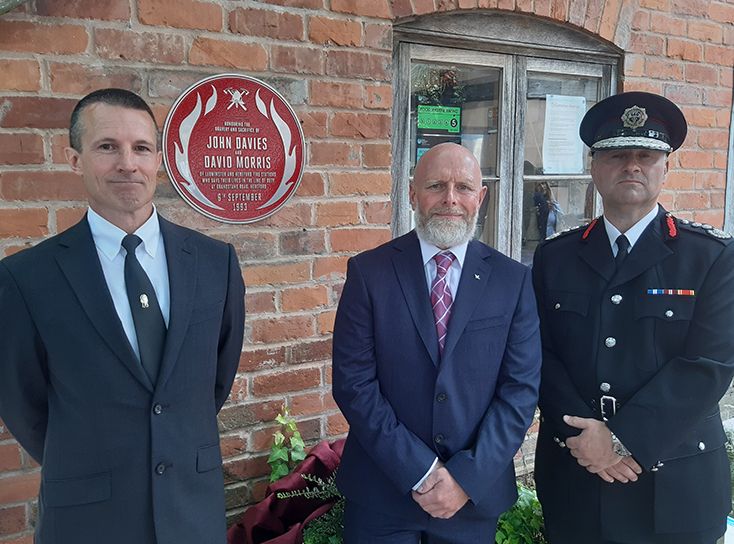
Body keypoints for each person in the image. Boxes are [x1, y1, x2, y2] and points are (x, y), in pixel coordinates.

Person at [0, 88, 245, 544]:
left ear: (159, 160)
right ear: (75, 160)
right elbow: (23, 402)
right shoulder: (25, 278)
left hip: (191, 511)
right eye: (107, 147)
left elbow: (214, 380)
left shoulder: (215, 264)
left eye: (141, 148)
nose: (127, 163)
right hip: (88, 517)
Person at [532, 91, 734, 544]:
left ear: (666, 166)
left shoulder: (711, 257)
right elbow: (538, 355)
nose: (632, 166)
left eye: (646, 155)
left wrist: (621, 438)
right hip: (576, 477)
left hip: (675, 482)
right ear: (593, 166)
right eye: (618, 155)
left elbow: (709, 366)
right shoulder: (555, 257)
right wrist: (588, 443)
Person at [332, 142, 541, 543]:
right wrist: (420, 471)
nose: (450, 199)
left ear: (481, 197)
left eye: (463, 187)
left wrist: (464, 478)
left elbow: (520, 391)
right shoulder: (369, 273)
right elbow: (354, 384)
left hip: (472, 497)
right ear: (412, 193)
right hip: (383, 494)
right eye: (435, 185)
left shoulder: (512, 281)